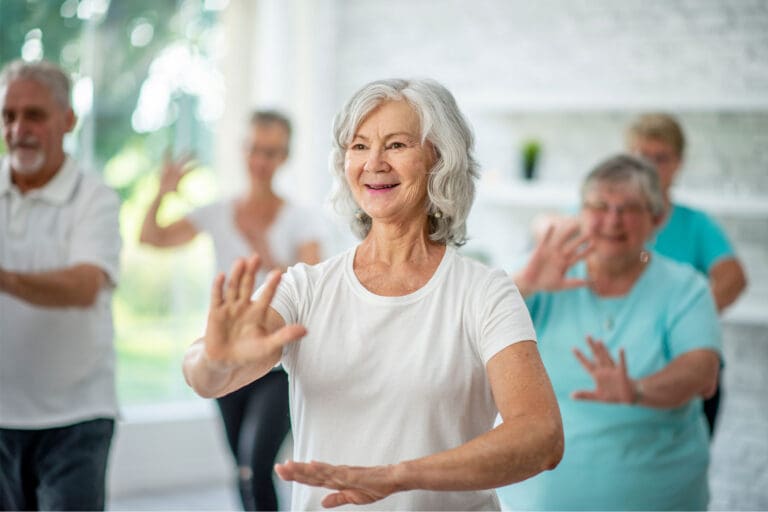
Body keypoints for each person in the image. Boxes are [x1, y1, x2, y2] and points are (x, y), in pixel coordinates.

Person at [182, 78, 564, 510]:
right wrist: (214, 358)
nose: (374, 163)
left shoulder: (485, 292)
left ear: (440, 158)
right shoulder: (305, 288)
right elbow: (205, 376)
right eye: (359, 146)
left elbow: (542, 436)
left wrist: (399, 477)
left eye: (397, 145)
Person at [497, 154, 722, 510]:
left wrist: (636, 390)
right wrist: (526, 283)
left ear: (657, 219)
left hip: (660, 495)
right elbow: (466, 329)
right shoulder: (541, 272)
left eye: (629, 208)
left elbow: (702, 372)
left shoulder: (686, 288)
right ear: (580, 212)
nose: (613, 220)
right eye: (600, 205)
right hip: (536, 497)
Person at [140, 110, 323, 511]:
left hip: (278, 363)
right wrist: (162, 190)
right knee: (241, 470)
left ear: (285, 157)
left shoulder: (301, 219)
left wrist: (263, 247)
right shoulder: (217, 212)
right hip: (226, 355)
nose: (261, 161)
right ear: (243, 151)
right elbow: (150, 236)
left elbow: (314, 289)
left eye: (272, 152)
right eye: (255, 149)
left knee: (257, 464)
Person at [0, 60, 121, 511]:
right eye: (8, 116)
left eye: (34, 115)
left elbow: (85, 284)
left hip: (77, 417)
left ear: (67, 120)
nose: (17, 129)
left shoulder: (95, 197)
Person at [626, 112, 747, 435]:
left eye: (660, 158)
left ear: (678, 163)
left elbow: (733, 278)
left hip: (687, 371)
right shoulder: (609, 220)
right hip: (628, 371)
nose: (649, 167)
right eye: (641, 157)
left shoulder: (696, 224)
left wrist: (689, 317)